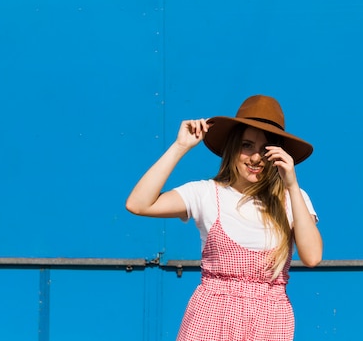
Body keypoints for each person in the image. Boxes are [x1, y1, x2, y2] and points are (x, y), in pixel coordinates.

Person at [125, 94, 323, 341]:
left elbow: (312, 257)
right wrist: (180, 147)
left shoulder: (292, 198)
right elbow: (138, 204)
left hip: (270, 320)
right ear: (232, 148)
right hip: (210, 317)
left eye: (265, 149)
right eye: (246, 145)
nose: (255, 158)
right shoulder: (206, 193)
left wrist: (292, 185)